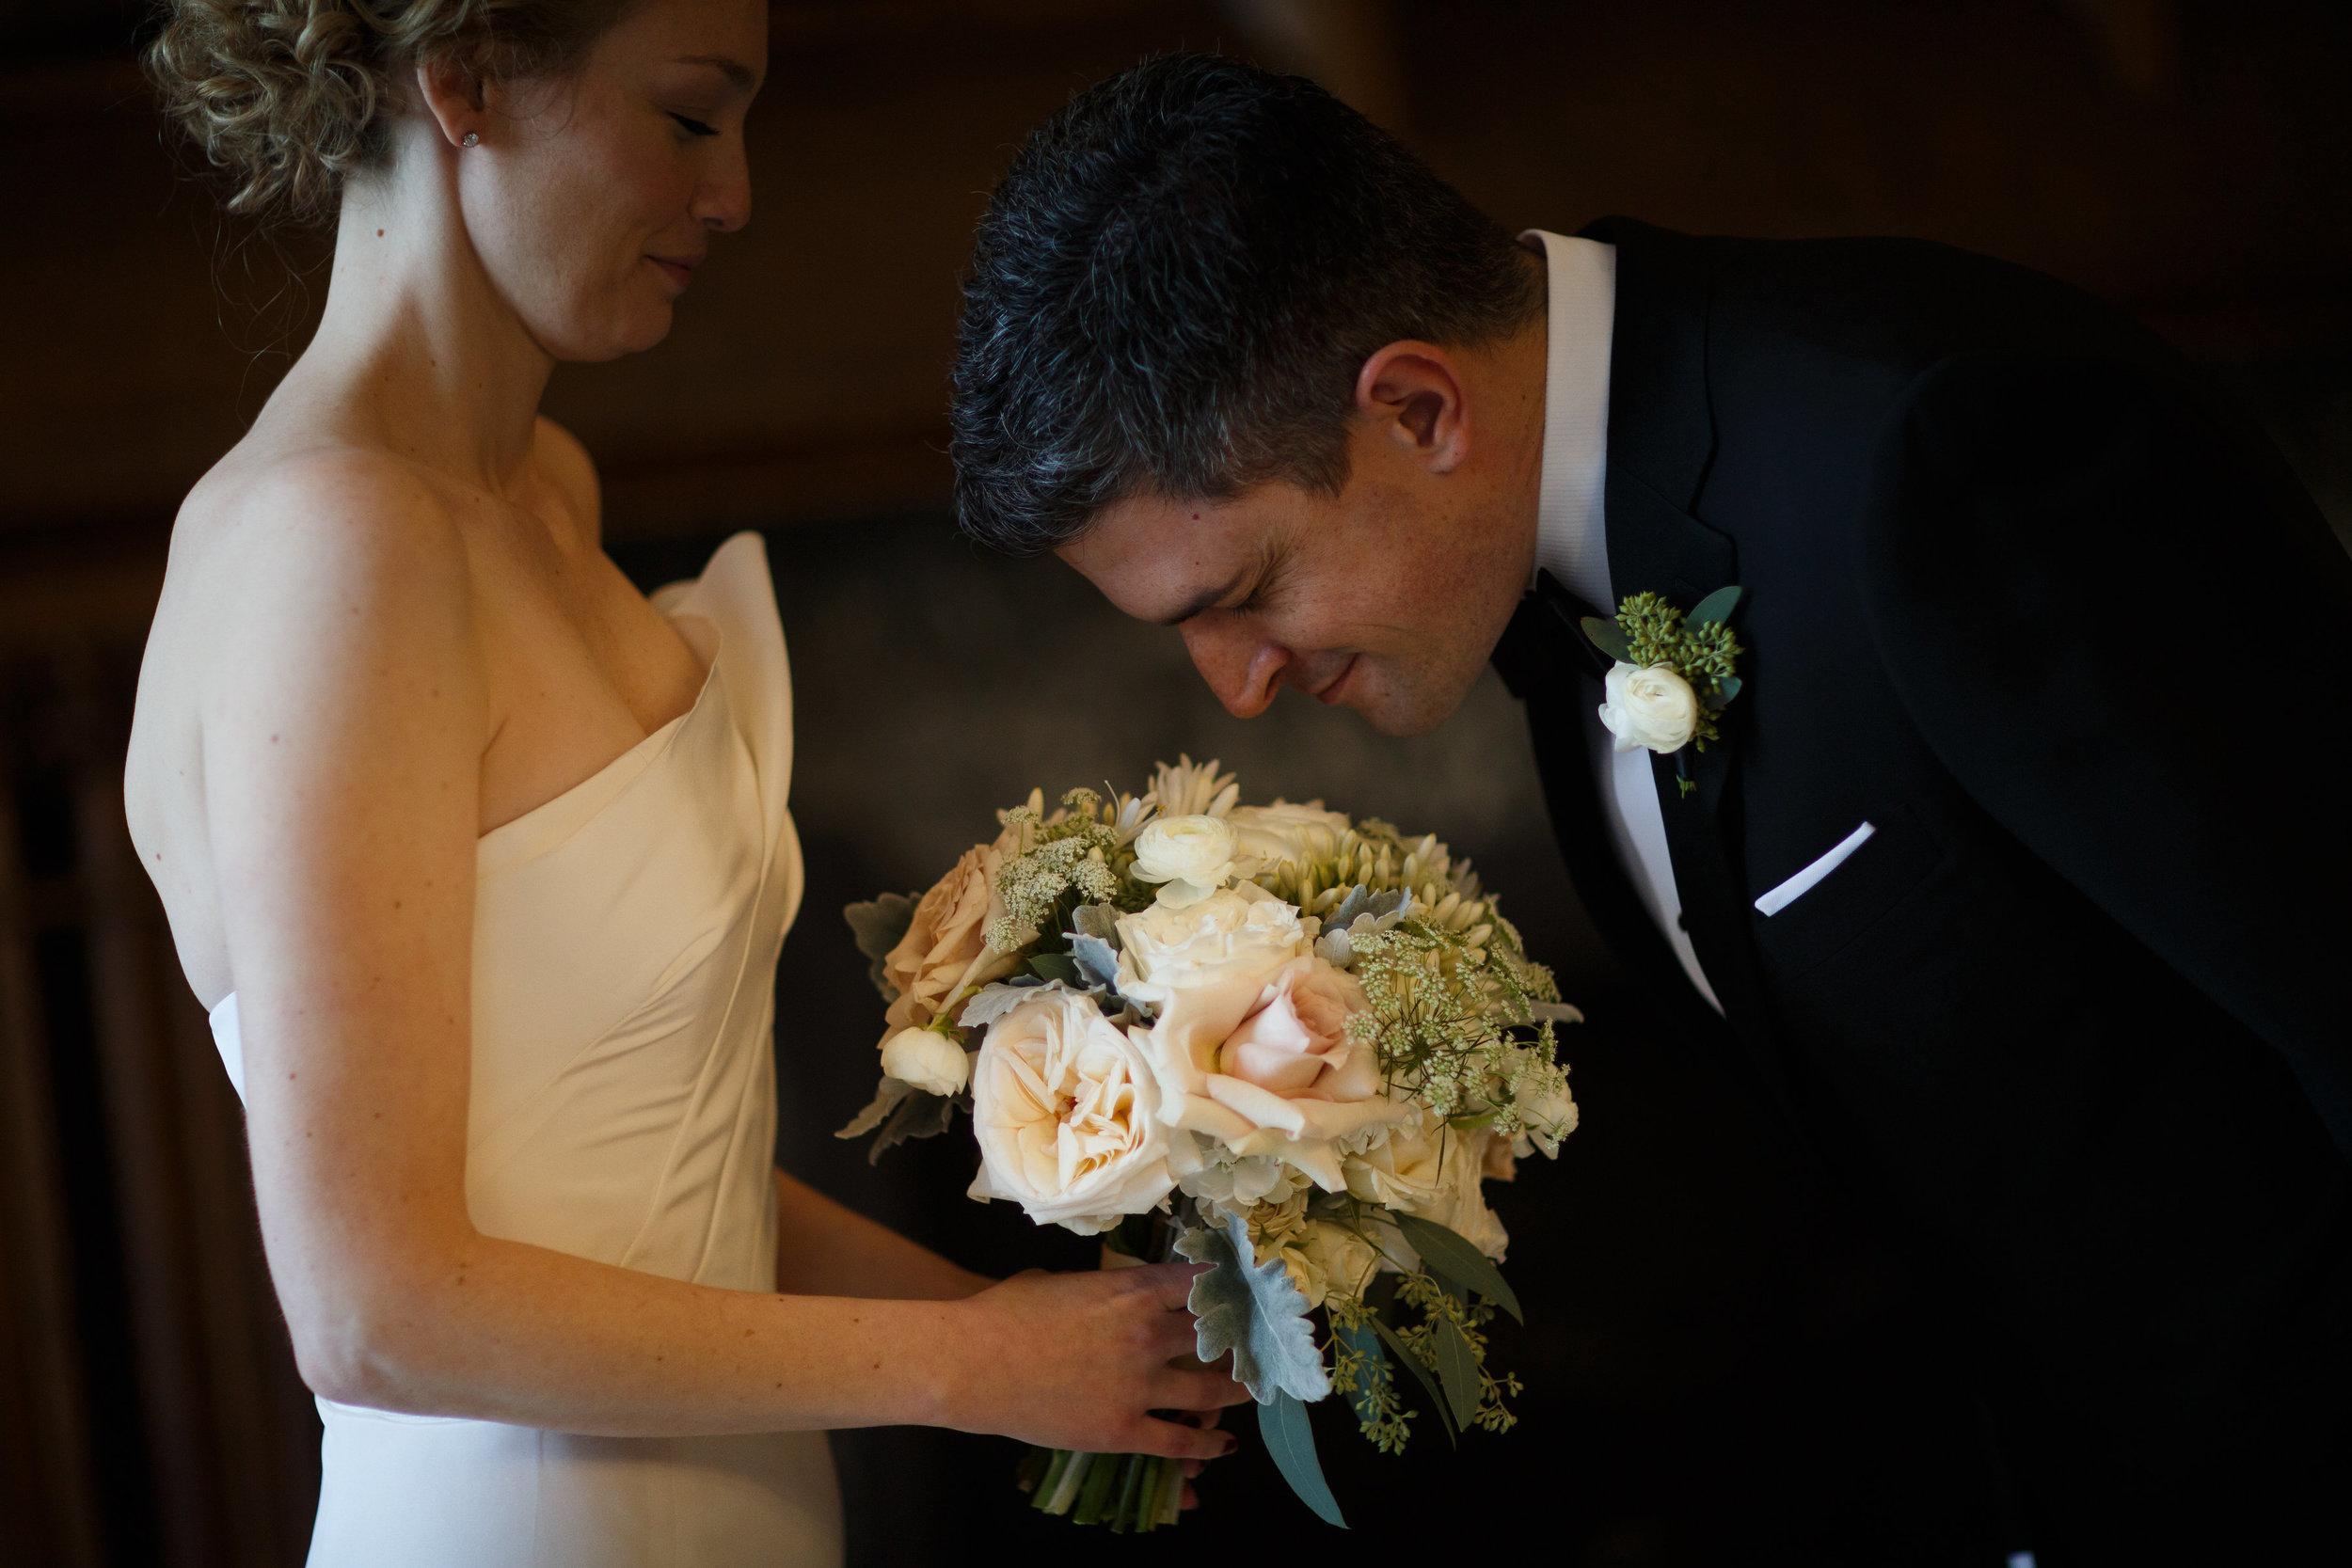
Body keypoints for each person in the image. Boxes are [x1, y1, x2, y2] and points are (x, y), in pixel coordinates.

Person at [947, 51, 2352, 1565]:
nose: (1237, 686)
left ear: (1419, 409)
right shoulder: (1531, 563)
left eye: (1240, 595)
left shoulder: (1948, 450)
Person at [125, 7, 1243, 1563]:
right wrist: (972, 1372)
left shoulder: (541, 498)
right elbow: (376, 1312)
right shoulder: (335, 543)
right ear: (464, 81)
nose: (733, 196)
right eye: (690, 118)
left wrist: (1040, 1333)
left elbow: (661, 1197)